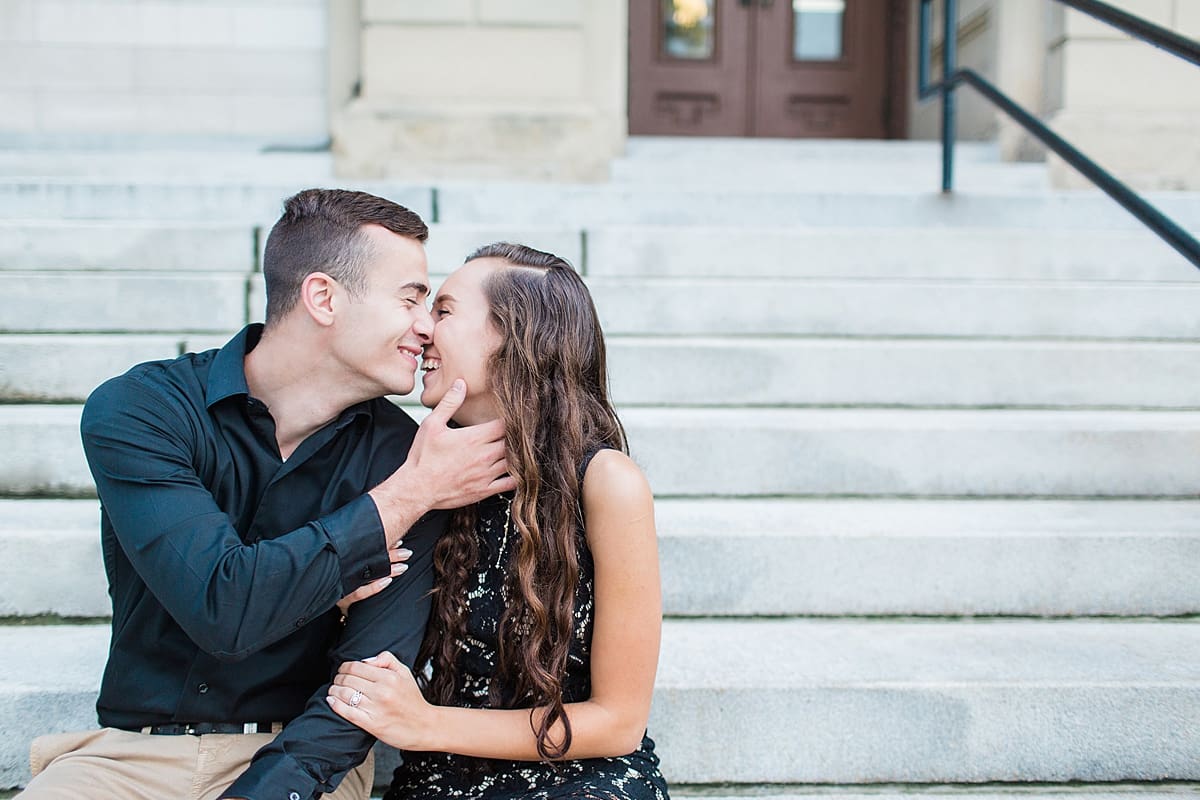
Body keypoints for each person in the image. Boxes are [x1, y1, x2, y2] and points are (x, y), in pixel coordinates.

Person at [18, 189, 516, 800]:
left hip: (302, 759)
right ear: (323, 298)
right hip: (128, 759)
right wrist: (401, 500)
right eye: (410, 299)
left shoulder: (405, 453)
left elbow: (363, 686)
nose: (425, 326)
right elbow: (222, 607)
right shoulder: (143, 410)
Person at [326, 243, 670, 800]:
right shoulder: (414, 469)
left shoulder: (606, 483)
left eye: (443, 311)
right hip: (439, 778)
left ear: (514, 337)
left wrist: (428, 724)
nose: (422, 330)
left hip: (579, 780)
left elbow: (618, 721)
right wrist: (341, 601)